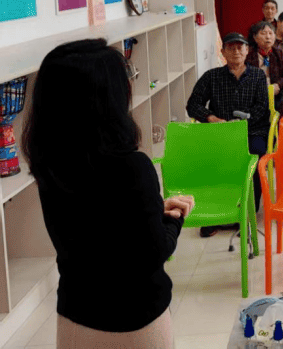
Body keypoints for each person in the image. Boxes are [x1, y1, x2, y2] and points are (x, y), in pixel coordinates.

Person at [21, 39, 194, 348]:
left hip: (76, 315)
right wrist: (173, 218)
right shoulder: (133, 168)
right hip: (136, 321)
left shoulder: (50, 164)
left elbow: (96, 230)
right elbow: (151, 253)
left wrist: (152, 211)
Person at [187, 32, 270, 236]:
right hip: (221, 132)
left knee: (253, 159)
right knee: (211, 162)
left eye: (240, 47)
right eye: (231, 48)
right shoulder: (212, 76)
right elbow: (193, 104)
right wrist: (211, 118)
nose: (236, 52)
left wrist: (242, 124)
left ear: (247, 50)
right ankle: (215, 214)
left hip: (251, 131)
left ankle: (247, 214)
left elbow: (262, 108)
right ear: (223, 52)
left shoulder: (258, 76)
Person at [246, 20, 283, 86]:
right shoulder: (248, 54)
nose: (268, 37)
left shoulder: (278, 53)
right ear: (255, 37)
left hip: (273, 90)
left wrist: (278, 84)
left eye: (270, 33)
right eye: (263, 33)